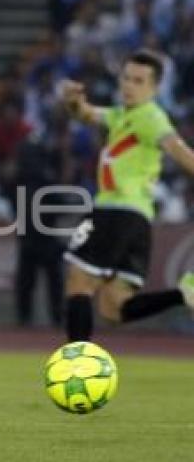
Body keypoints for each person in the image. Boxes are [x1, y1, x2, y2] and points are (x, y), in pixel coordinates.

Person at [61, 49, 194, 343]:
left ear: (155, 88)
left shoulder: (150, 117)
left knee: (79, 282)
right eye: (126, 78)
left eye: (139, 81)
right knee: (114, 308)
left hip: (115, 212)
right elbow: (84, 113)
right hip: (138, 221)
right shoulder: (121, 115)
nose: (129, 86)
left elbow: (178, 151)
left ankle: (76, 367)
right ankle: (185, 293)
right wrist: (72, 99)